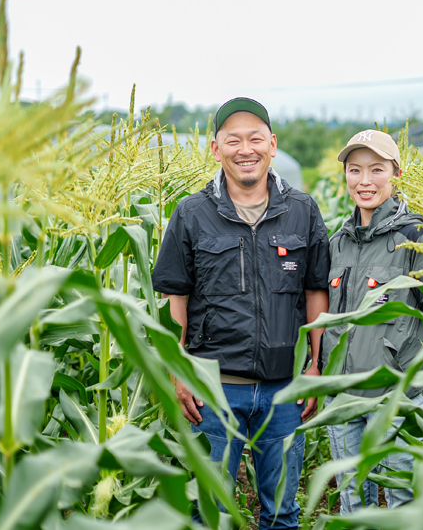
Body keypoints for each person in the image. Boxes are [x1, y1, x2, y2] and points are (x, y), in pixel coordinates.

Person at [152, 97, 330, 529]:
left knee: (283, 512)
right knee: (206, 512)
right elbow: (175, 300)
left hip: (284, 391)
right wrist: (178, 371)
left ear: (272, 144)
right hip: (213, 389)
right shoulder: (191, 214)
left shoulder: (302, 210)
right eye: (233, 140)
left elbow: (316, 292)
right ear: (216, 149)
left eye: (255, 138)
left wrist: (317, 367)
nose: (244, 149)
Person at [319, 129, 423, 513]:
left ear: (396, 173)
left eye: (377, 170)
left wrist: (406, 368)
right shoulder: (337, 242)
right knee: (350, 495)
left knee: (401, 495)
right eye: (355, 170)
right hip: (342, 393)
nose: (365, 181)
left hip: (395, 396)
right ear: (344, 176)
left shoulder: (415, 237)